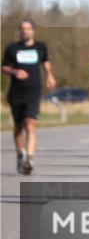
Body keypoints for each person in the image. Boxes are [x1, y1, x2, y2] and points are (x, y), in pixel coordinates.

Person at [3, 19, 56, 175]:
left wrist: (50, 76)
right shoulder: (12, 48)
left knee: (31, 124)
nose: (25, 31)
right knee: (19, 126)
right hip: (16, 93)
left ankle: (29, 158)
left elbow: (45, 62)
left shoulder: (41, 47)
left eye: (28, 28)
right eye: (23, 28)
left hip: (34, 92)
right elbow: (4, 67)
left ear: (33, 30)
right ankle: (20, 153)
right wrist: (15, 72)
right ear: (20, 31)